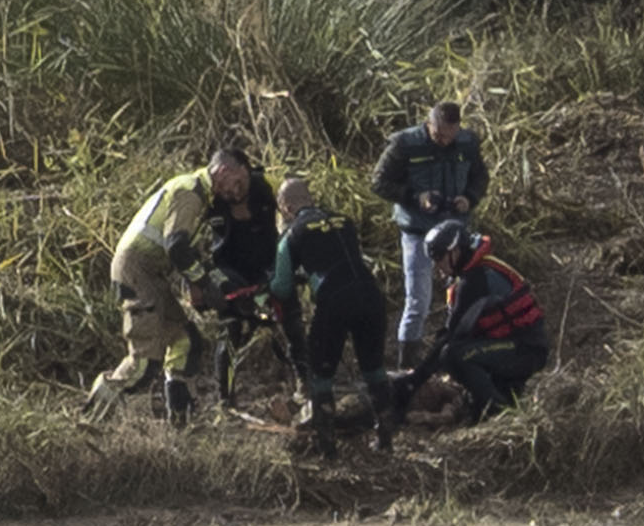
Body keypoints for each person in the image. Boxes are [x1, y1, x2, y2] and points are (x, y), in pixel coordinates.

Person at [86, 149, 252, 425]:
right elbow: (175, 245)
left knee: (186, 341)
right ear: (224, 172)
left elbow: (184, 251)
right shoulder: (191, 192)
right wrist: (204, 283)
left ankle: (181, 421)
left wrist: (202, 283)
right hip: (138, 270)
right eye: (237, 183)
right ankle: (91, 420)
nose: (237, 193)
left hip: (149, 272)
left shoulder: (199, 195)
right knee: (143, 364)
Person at [267, 176, 398, 457]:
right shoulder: (344, 221)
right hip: (370, 296)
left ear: (286, 208)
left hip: (334, 301)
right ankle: (386, 442)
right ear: (310, 199)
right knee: (374, 369)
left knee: (321, 374)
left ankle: (327, 450)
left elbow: (281, 286)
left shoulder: (291, 236)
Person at [371, 102, 489, 368]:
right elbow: (378, 182)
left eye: (450, 136)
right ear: (429, 124)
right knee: (418, 302)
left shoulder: (468, 143)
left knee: (464, 298)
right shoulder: (404, 144)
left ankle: (458, 359)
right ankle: (407, 367)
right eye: (439, 135)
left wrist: (469, 198)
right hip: (417, 232)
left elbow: (481, 178)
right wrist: (415, 197)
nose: (445, 141)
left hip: (455, 233)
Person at [408, 219, 549, 422]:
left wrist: (415, 380)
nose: (435, 265)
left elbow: (451, 336)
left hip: (525, 350)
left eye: (438, 257)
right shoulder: (473, 272)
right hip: (513, 346)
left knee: (453, 355)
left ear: (454, 251)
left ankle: (500, 413)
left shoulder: (475, 280)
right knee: (456, 352)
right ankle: (494, 401)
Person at [205, 147, 281, 404]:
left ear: (245, 170)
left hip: (265, 266)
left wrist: (275, 275)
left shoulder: (263, 188)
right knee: (230, 330)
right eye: (226, 190)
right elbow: (196, 250)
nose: (234, 193)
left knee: (286, 320)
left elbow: (278, 233)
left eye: (239, 184)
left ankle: (303, 382)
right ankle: (225, 398)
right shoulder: (209, 199)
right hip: (229, 271)